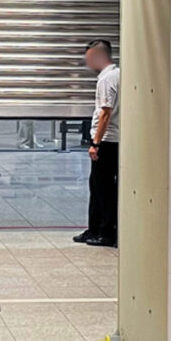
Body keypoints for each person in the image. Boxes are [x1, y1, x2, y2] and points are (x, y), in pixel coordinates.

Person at [73, 39, 119, 247]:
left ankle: (106, 232)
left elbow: (105, 113)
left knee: (103, 189)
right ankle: (94, 229)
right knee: (98, 186)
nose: (88, 63)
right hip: (112, 140)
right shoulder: (117, 75)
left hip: (107, 141)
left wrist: (96, 143)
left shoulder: (107, 80)